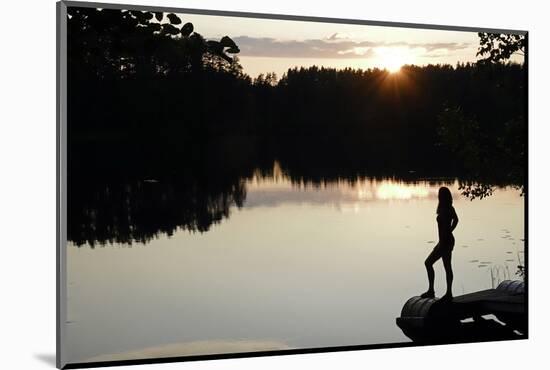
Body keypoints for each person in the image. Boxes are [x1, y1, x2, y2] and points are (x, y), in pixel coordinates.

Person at [420, 186, 459, 301]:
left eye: (440, 194)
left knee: (442, 265)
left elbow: (456, 220)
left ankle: (447, 293)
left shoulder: (448, 208)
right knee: (429, 263)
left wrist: (449, 231)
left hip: (446, 242)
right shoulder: (443, 208)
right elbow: (455, 220)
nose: (438, 196)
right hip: (443, 241)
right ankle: (433, 290)